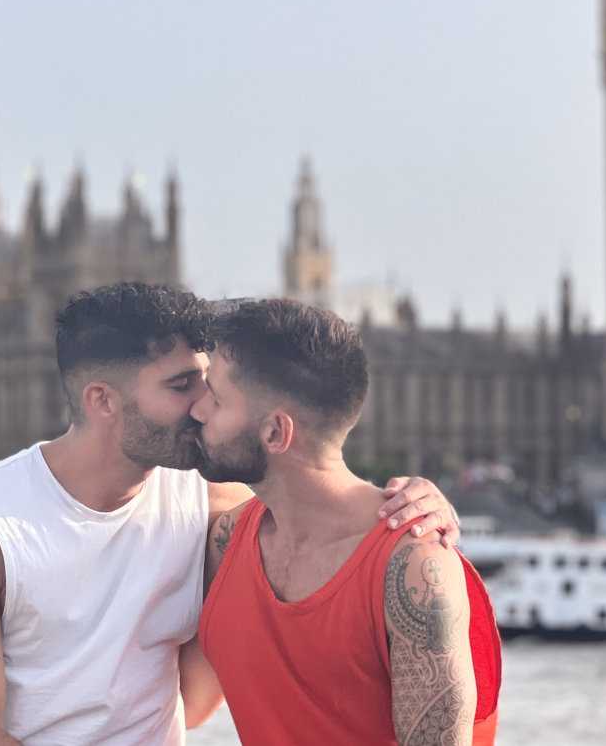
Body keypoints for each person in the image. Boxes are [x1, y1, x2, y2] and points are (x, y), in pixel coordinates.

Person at [0, 283, 461, 745]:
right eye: (181, 387)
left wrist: (417, 505)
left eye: (208, 385)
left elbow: (195, 703)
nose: (202, 407)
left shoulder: (215, 507)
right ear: (102, 401)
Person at [189, 298, 501, 745]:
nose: (197, 412)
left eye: (215, 400)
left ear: (276, 432)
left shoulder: (414, 569)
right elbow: (184, 702)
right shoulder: (226, 540)